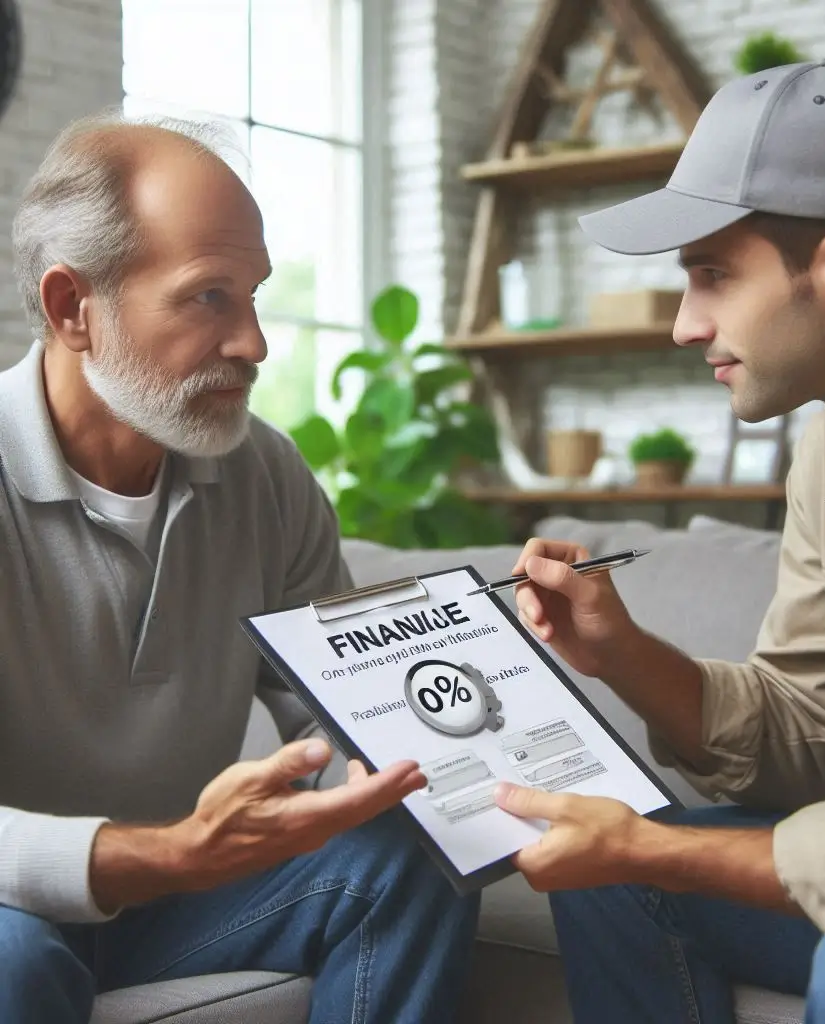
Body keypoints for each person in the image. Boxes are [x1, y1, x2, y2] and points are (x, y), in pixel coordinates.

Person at [491, 59, 825, 1023]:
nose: (685, 326)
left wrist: (650, 844)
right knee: (610, 879)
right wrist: (625, 656)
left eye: (711, 276)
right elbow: (807, 739)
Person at [0, 112, 478, 1024]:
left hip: (177, 903)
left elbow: (357, 701)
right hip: (16, 911)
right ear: (73, 309)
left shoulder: (264, 472)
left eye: (254, 296)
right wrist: (168, 851)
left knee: (414, 854)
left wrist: (473, 728)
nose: (254, 342)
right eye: (209, 296)